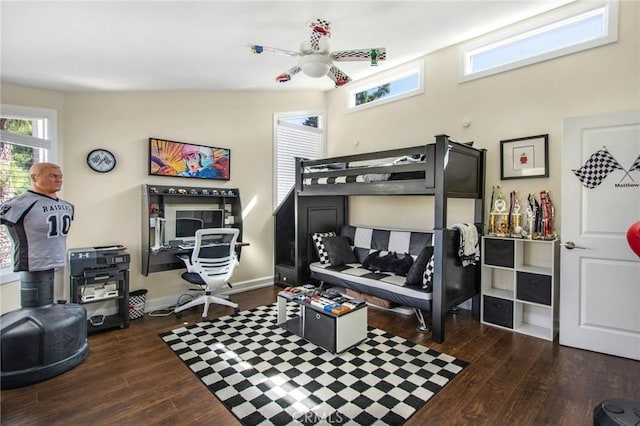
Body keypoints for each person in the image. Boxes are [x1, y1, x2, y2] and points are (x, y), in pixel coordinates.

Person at [0, 162, 73, 272]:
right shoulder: (17, 204)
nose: (58, 180)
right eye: (52, 176)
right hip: (31, 265)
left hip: (58, 261)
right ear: (34, 178)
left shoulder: (67, 206)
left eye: (60, 176)